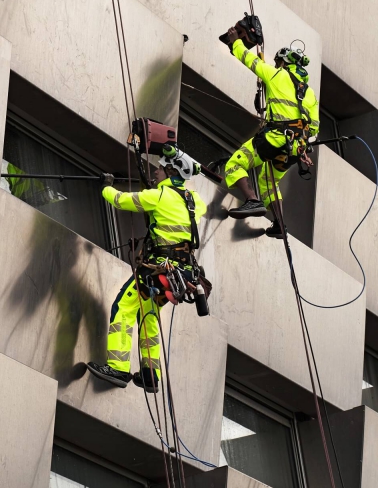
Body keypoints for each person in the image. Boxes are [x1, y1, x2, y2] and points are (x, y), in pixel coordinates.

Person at [86, 150, 207, 392]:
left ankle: (118, 368)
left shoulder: (160, 196)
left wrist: (106, 186)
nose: (155, 172)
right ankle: (151, 374)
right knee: (148, 315)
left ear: (171, 172)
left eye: (160, 169)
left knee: (123, 308)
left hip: (158, 269)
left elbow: (121, 201)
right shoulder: (196, 201)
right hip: (179, 275)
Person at [222, 25, 320, 237]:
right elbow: (314, 127)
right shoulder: (310, 94)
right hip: (295, 150)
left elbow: (252, 62)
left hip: (274, 140)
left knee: (235, 164)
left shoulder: (277, 75)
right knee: (268, 181)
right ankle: (280, 225)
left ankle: (252, 200)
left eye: (278, 62)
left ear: (285, 62)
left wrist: (235, 42)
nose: (276, 65)